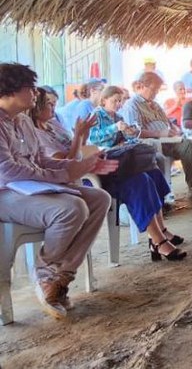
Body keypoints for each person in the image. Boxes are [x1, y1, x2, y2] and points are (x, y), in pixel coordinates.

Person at [0, 63, 117, 319]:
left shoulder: (23, 121)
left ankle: (59, 277)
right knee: (71, 208)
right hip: (6, 194)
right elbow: (7, 171)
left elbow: (41, 160)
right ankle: (46, 274)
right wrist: (64, 174)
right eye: (29, 88)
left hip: (31, 187)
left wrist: (76, 166)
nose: (35, 93)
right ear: (9, 90)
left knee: (99, 198)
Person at [72, 87, 185, 261]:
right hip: (105, 167)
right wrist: (114, 129)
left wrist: (130, 134)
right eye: (115, 100)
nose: (119, 104)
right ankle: (157, 239)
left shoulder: (118, 116)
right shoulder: (96, 116)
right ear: (104, 101)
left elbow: (127, 141)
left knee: (153, 172)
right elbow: (93, 140)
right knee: (141, 180)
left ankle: (160, 231)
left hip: (121, 162)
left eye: (120, 100)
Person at [122, 72, 192, 199]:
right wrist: (160, 133)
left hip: (169, 139)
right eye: (154, 89)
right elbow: (135, 132)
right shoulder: (132, 105)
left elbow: (168, 122)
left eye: (157, 90)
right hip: (153, 142)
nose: (156, 93)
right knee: (188, 146)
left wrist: (175, 129)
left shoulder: (154, 103)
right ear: (142, 86)